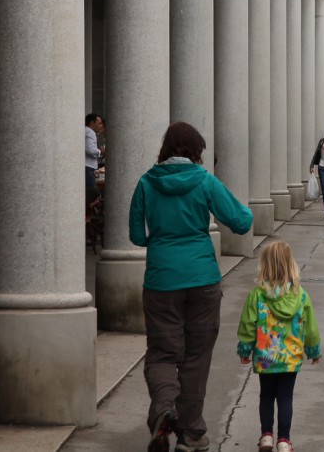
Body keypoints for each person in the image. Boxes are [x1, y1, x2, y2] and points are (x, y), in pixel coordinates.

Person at [130, 121, 254, 452]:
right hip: (202, 280)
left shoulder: (146, 182)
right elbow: (242, 222)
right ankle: (191, 433)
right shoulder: (204, 181)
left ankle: (163, 410)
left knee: (161, 353)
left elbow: (136, 236)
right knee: (196, 357)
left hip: (160, 280)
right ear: (197, 151)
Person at [237, 241, 321, 452]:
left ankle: (266, 436)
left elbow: (248, 325)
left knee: (266, 395)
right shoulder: (301, 296)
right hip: (290, 357)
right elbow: (310, 328)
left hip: (266, 357)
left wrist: (245, 349)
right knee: (285, 396)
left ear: (264, 265)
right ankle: (284, 440)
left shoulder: (257, 295)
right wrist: (313, 350)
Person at [85, 113, 105, 200]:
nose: (101, 126)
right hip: (88, 167)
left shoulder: (86, 131)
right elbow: (90, 149)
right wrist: (101, 151)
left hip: (87, 167)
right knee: (91, 193)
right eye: (99, 123)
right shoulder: (90, 132)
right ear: (92, 123)